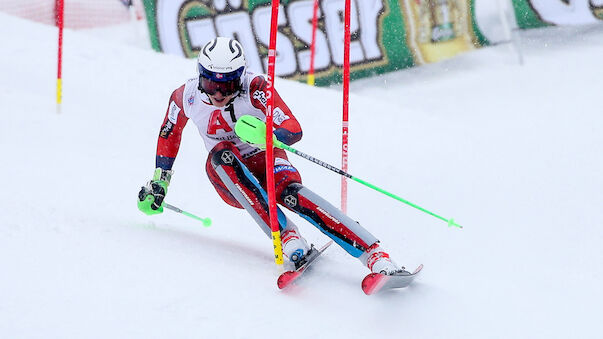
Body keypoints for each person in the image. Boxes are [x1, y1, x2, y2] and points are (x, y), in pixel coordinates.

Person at [137, 37, 403, 275]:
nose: (218, 94)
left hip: (267, 159)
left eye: (227, 85)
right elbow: (169, 134)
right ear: (200, 76)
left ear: (239, 77)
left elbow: (293, 128)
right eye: (210, 84)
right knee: (221, 155)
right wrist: (160, 182)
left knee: (290, 193)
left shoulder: (255, 88)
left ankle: (374, 255)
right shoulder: (186, 96)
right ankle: (287, 237)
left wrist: (268, 134)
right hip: (231, 180)